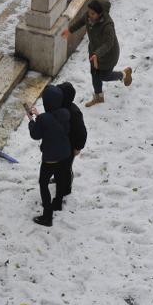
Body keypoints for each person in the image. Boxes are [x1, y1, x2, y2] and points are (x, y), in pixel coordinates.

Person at [61, 0, 133, 107]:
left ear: (100, 14)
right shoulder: (89, 16)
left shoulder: (107, 26)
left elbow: (109, 44)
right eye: (89, 12)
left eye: (92, 14)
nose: (89, 15)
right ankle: (98, 97)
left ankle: (124, 74)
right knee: (95, 74)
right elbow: (81, 21)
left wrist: (97, 54)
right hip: (94, 52)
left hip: (108, 55)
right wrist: (70, 30)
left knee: (104, 76)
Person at [28, 85, 71, 226]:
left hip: (50, 158)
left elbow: (35, 135)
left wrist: (32, 121)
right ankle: (57, 203)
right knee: (59, 178)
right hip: (65, 154)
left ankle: (47, 216)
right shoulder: (65, 113)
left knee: (43, 183)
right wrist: (40, 117)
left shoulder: (44, 119)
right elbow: (53, 122)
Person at [53, 82, 87, 211]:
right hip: (59, 144)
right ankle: (57, 178)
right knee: (57, 165)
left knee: (65, 168)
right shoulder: (57, 107)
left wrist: (78, 147)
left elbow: (82, 132)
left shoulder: (74, 113)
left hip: (70, 147)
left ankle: (66, 188)